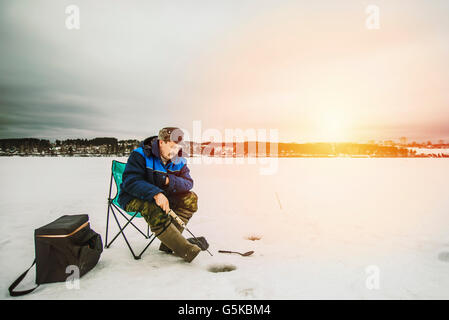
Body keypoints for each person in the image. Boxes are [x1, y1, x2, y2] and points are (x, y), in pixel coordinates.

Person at [117, 127, 208, 262]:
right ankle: (186, 250)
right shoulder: (140, 155)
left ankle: (169, 244)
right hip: (133, 197)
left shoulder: (179, 160)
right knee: (154, 206)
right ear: (161, 142)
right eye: (171, 146)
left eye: (177, 147)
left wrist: (168, 180)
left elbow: (188, 183)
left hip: (166, 196)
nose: (175, 151)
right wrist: (155, 193)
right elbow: (131, 182)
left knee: (191, 198)